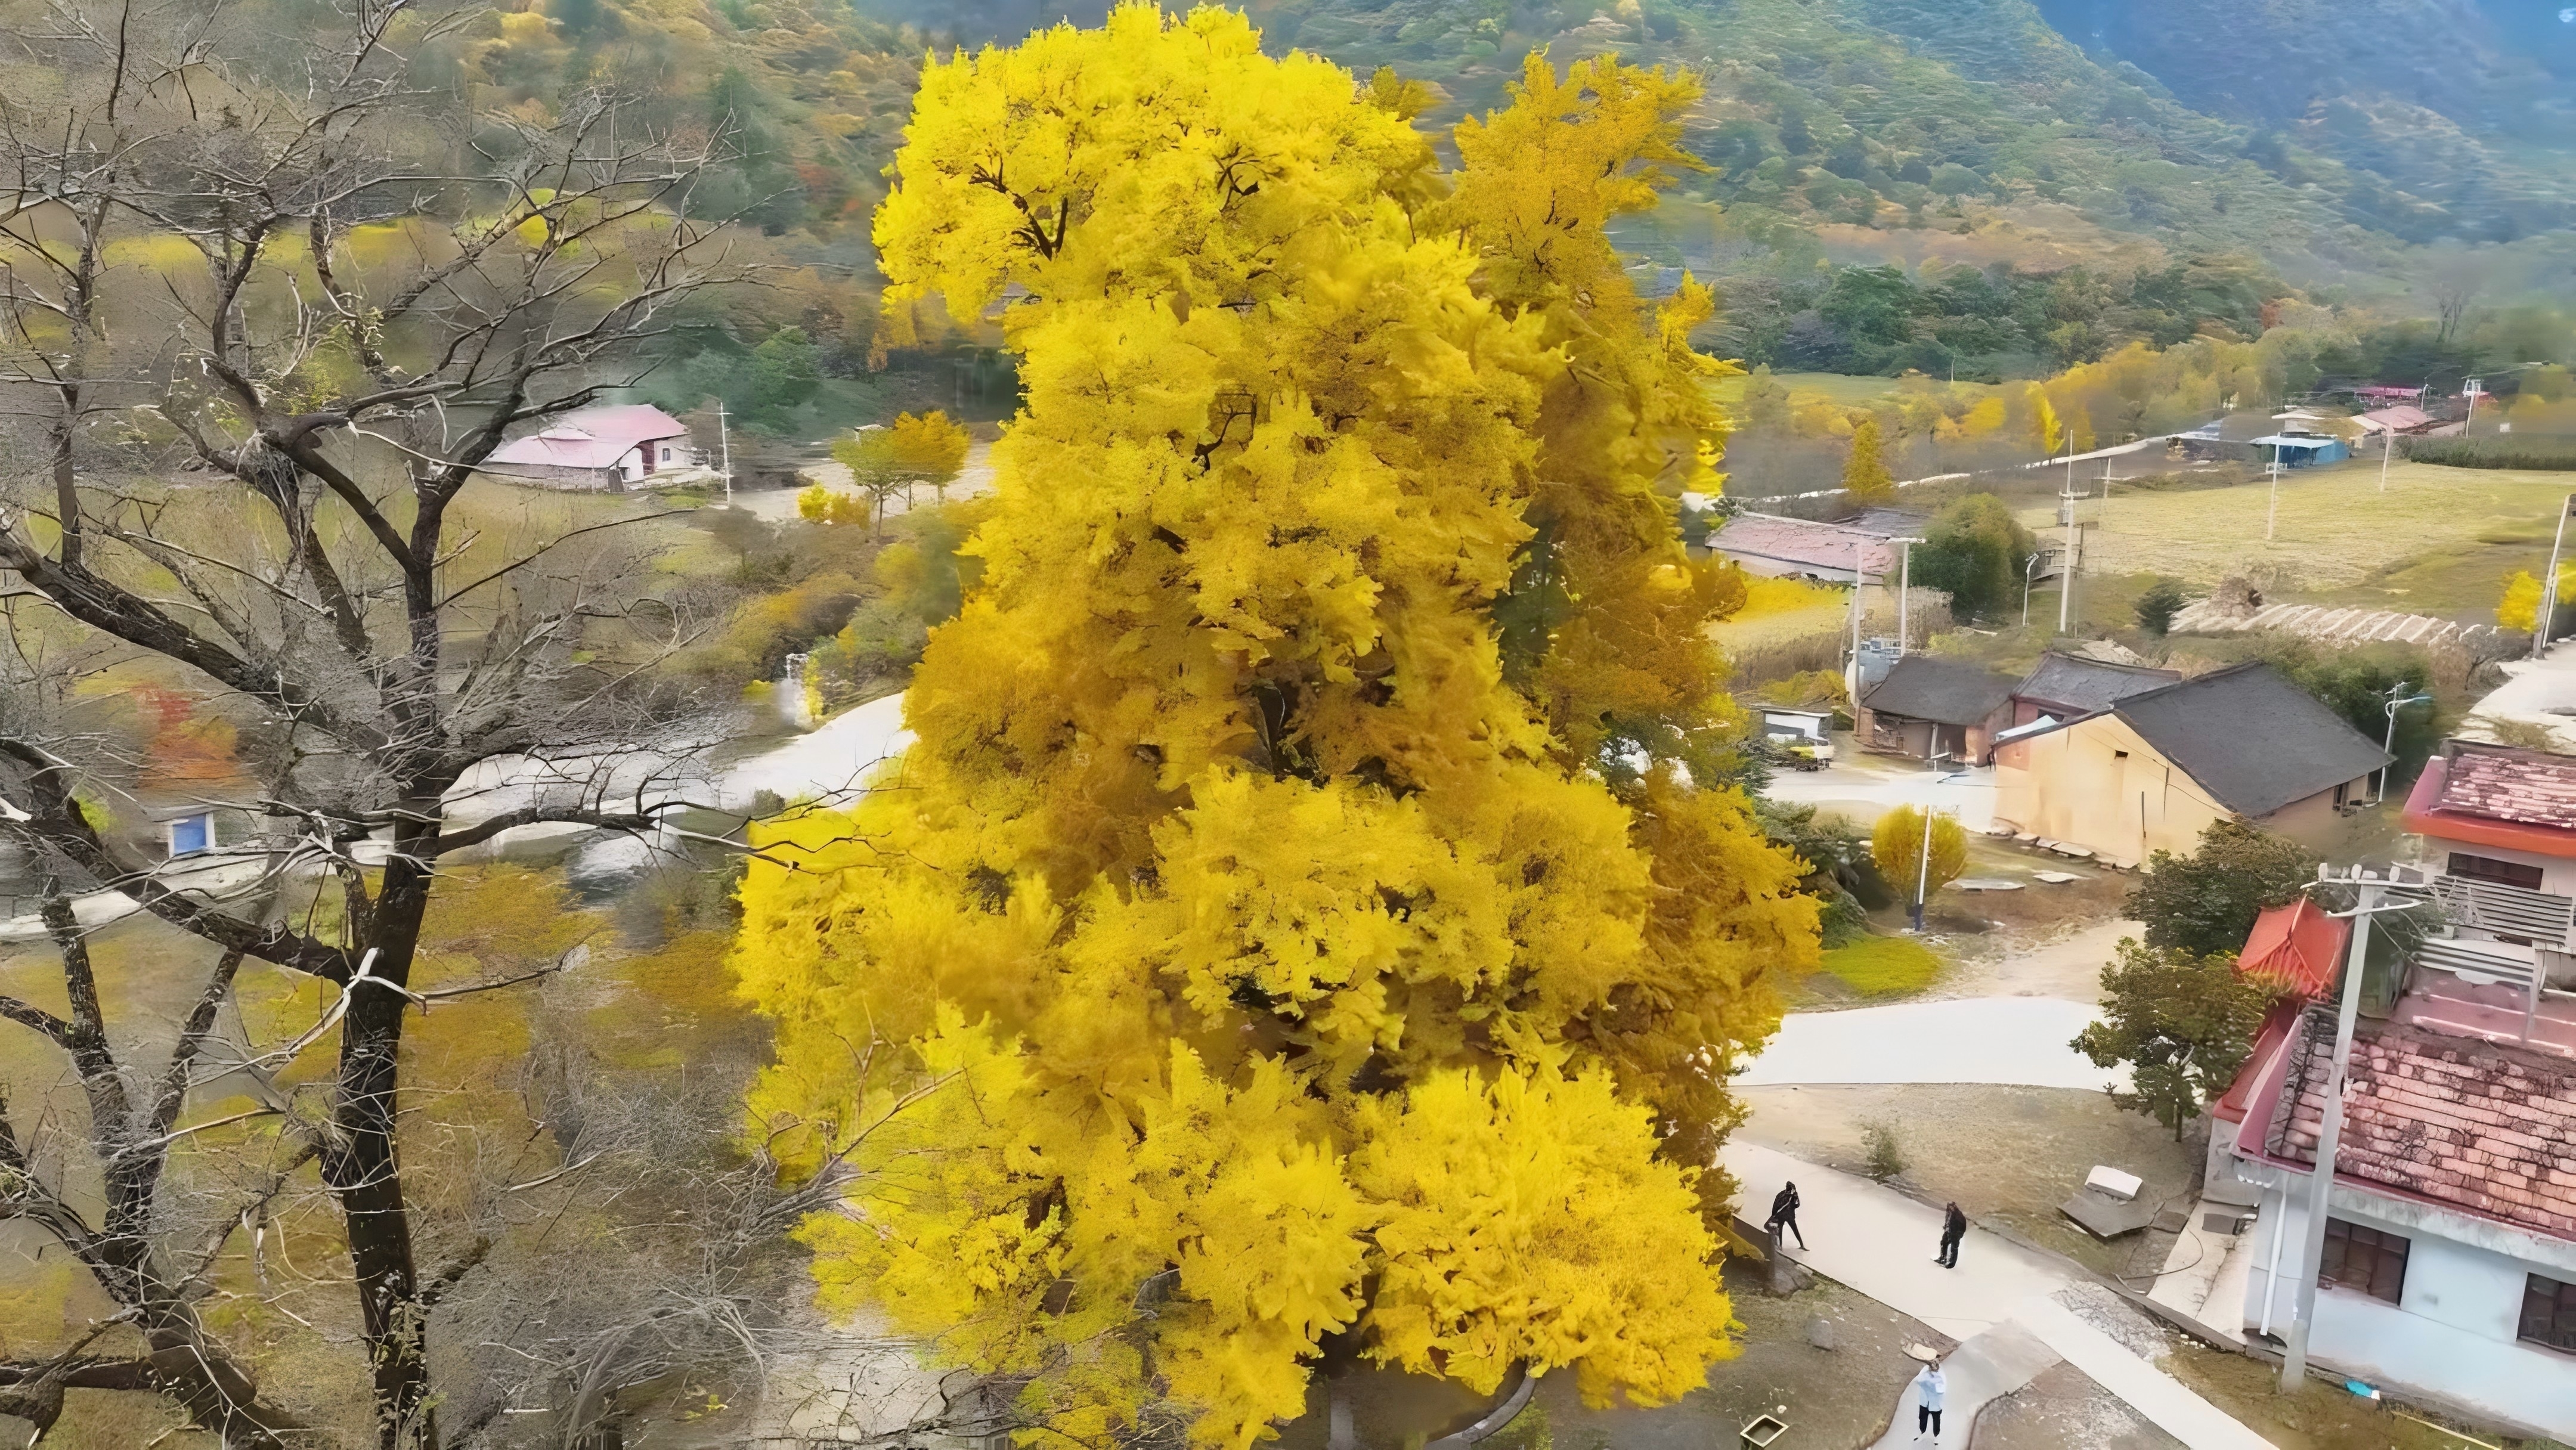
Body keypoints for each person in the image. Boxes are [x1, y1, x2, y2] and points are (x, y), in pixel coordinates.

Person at [1912, 1360, 1947, 1441]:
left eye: (1935, 1366)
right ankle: (1922, 1432)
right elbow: (1918, 1382)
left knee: (1937, 1421)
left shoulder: (1940, 1378)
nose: (1933, 1367)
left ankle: (1936, 1436)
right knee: (1922, 1418)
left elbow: (1941, 1392)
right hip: (1924, 1403)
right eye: (1932, 1365)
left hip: (1935, 1405)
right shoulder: (1924, 1374)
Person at [1766, 1181, 1805, 1250]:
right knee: (1781, 1230)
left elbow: (1797, 1205)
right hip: (1783, 1216)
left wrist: (1796, 1197)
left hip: (1789, 1216)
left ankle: (1801, 1245)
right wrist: (1774, 1214)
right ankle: (1780, 1245)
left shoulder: (1792, 1196)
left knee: (1794, 1230)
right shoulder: (1782, 1195)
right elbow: (1776, 1205)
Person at [1936, 1201, 1967, 1268]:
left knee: (1954, 1248)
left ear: (1955, 1206)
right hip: (1949, 1231)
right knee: (1944, 1243)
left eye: (1952, 1206)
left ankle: (1952, 1264)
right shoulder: (1950, 1213)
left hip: (1955, 1234)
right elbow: (1949, 1221)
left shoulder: (1959, 1215)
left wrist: (1958, 1234)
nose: (1951, 1208)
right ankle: (1943, 1258)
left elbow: (1962, 1227)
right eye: (1950, 1206)